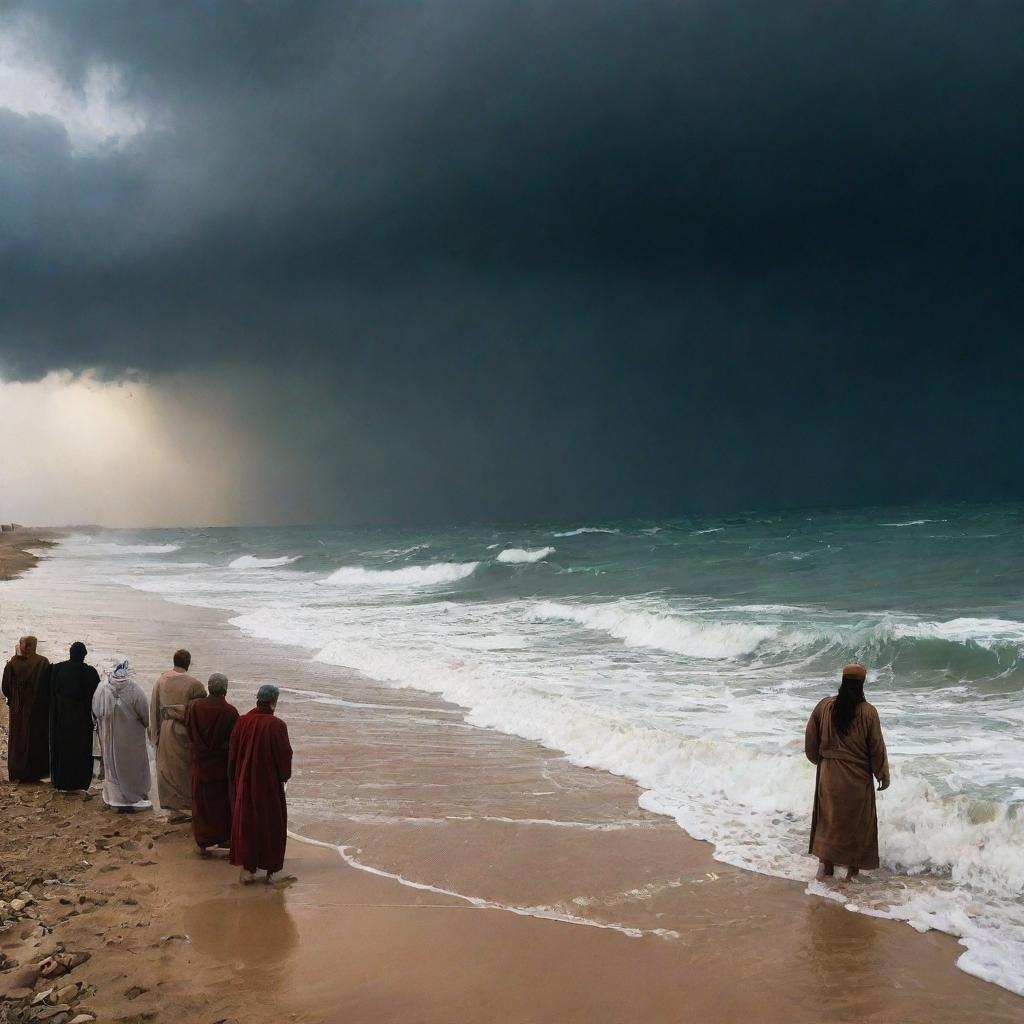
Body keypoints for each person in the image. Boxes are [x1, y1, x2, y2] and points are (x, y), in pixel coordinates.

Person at [804, 663, 890, 881]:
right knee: (857, 824)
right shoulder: (868, 712)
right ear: (861, 684)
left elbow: (810, 742)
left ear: (842, 682)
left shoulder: (824, 707)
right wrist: (882, 774)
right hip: (857, 780)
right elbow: (876, 747)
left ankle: (826, 865)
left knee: (828, 821)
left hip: (828, 776)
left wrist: (822, 763)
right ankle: (852, 871)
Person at [229, 684, 293, 884]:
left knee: (247, 825)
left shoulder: (242, 722)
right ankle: (273, 872)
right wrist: (284, 777)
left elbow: (233, 752)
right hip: (268, 786)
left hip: (245, 784)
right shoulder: (277, 725)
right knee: (272, 825)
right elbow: (284, 756)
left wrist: (235, 778)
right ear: (274, 702)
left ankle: (248, 870)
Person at [187, 672, 240, 854]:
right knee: (222, 804)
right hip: (221, 766)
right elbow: (235, 740)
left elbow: (190, 732)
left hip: (201, 762)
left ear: (209, 688)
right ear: (225, 689)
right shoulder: (231, 712)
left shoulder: (195, 707)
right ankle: (224, 838)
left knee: (202, 803)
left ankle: (203, 841)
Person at [150, 649, 206, 814]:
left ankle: (173, 809)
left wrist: (155, 735)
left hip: (167, 728)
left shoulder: (161, 680)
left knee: (168, 770)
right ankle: (187, 807)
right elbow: (201, 713)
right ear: (188, 663)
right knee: (185, 769)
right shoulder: (195, 684)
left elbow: (154, 709)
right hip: (186, 730)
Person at [93, 659, 152, 812]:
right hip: (131, 739)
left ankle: (113, 798)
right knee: (131, 766)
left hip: (108, 738)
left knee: (111, 765)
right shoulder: (135, 690)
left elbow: (94, 713)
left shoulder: (101, 689)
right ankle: (132, 798)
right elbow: (146, 717)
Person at [49, 641, 101, 791]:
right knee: (81, 750)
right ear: (84, 655)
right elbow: (96, 698)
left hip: (62, 716)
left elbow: (52, 693)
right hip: (82, 718)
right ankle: (80, 783)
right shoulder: (90, 672)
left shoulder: (57, 669)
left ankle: (61, 781)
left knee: (62, 748)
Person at [2, 636, 51, 782]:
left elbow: (5, 688)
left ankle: (18, 773)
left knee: (18, 739)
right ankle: (36, 774)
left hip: (18, 708)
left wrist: (14, 699)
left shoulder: (12, 663)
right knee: (36, 738)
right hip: (37, 708)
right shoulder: (43, 662)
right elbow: (48, 686)